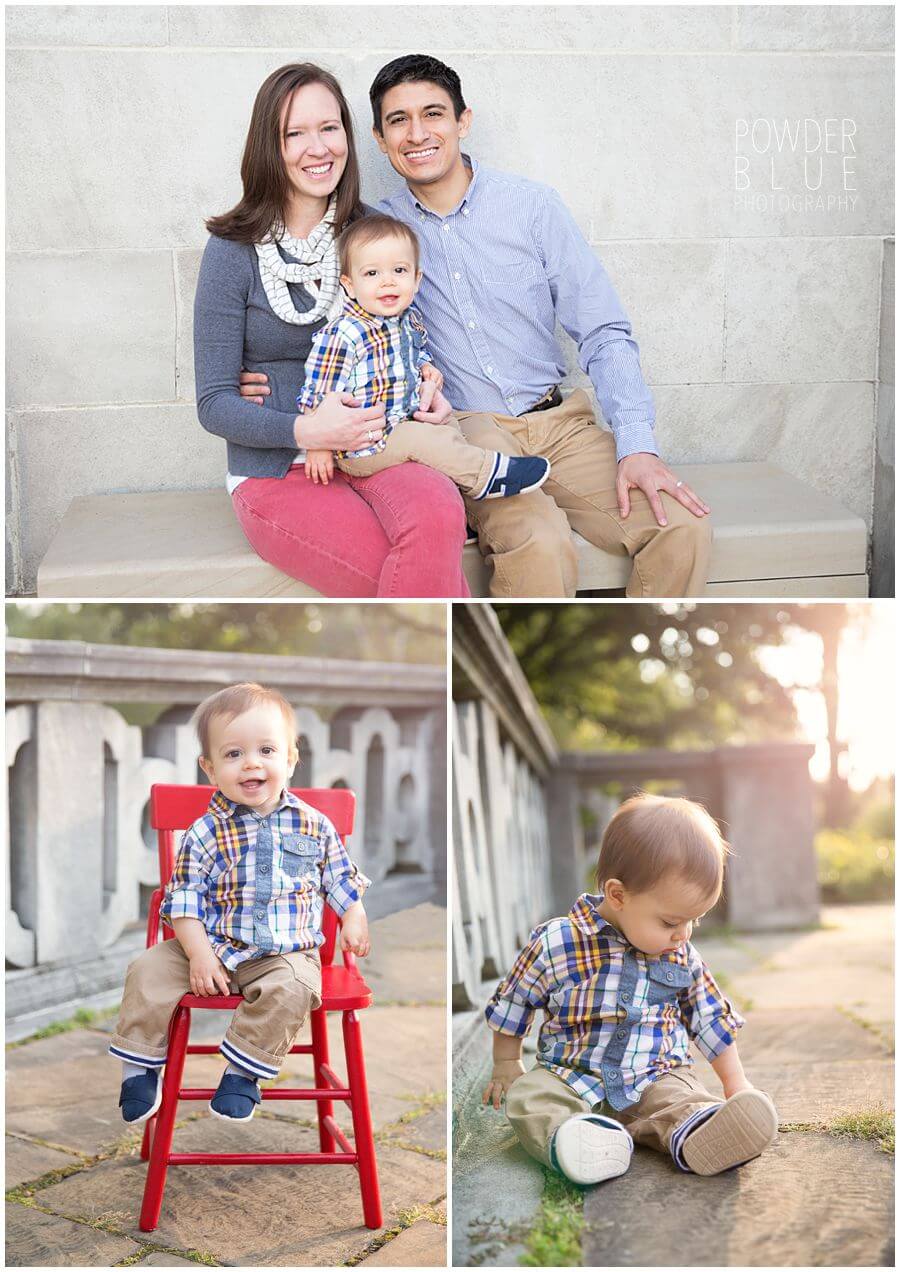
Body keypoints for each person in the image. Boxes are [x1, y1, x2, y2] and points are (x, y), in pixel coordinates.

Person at [243, 56, 713, 596]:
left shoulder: (532, 207)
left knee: (683, 525)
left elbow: (604, 330)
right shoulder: (372, 231)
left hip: (562, 421)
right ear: (378, 137)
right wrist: (267, 385)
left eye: (433, 114)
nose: (417, 134)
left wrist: (638, 446)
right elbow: (325, 315)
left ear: (463, 121)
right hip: (469, 432)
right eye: (398, 120)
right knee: (539, 541)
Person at [194, 62, 470, 598]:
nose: (316, 148)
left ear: (347, 134)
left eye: (328, 128)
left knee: (438, 513)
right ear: (267, 147)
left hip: (380, 445)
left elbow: (407, 341)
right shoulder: (231, 251)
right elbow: (214, 403)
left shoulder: (370, 235)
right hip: (281, 467)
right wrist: (304, 429)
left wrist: (431, 395)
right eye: (293, 133)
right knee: (397, 578)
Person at [109, 683, 370, 1124]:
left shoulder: (315, 824)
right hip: (208, 946)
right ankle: (140, 1066)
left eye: (266, 750)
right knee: (146, 969)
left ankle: (242, 1071)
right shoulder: (205, 832)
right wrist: (199, 955)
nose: (251, 762)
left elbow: (338, 875)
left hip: (284, 954)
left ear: (290, 758)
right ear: (209, 769)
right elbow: (184, 900)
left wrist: (353, 913)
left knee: (297, 988)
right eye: (233, 755)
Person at [482, 794, 778, 1183]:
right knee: (530, 1099)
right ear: (617, 895)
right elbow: (515, 1000)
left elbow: (711, 1019)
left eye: (694, 922)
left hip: (654, 1076)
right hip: (570, 1076)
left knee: (681, 1100)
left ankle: (702, 1132)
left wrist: (735, 1085)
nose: (682, 934)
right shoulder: (557, 942)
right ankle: (572, 1140)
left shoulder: (680, 955)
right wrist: (506, 1063)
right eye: (671, 921)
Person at [298, 212, 551, 501]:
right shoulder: (345, 334)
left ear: (416, 279)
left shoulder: (407, 319)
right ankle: (487, 476)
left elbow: (412, 353)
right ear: (349, 285)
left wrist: (426, 367)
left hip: (403, 420)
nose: (388, 282)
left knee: (447, 426)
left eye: (399, 271)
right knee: (424, 440)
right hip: (364, 444)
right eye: (372, 273)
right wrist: (318, 445)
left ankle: (463, 499)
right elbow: (317, 394)